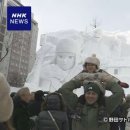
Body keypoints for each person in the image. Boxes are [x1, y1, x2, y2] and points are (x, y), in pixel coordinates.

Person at [58, 77, 124, 130]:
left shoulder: (106, 105)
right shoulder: (76, 103)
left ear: (98, 95)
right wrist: (79, 82)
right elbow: (64, 89)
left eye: (94, 93)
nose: (90, 96)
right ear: (84, 94)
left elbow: (119, 92)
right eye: (88, 93)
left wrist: (107, 84)